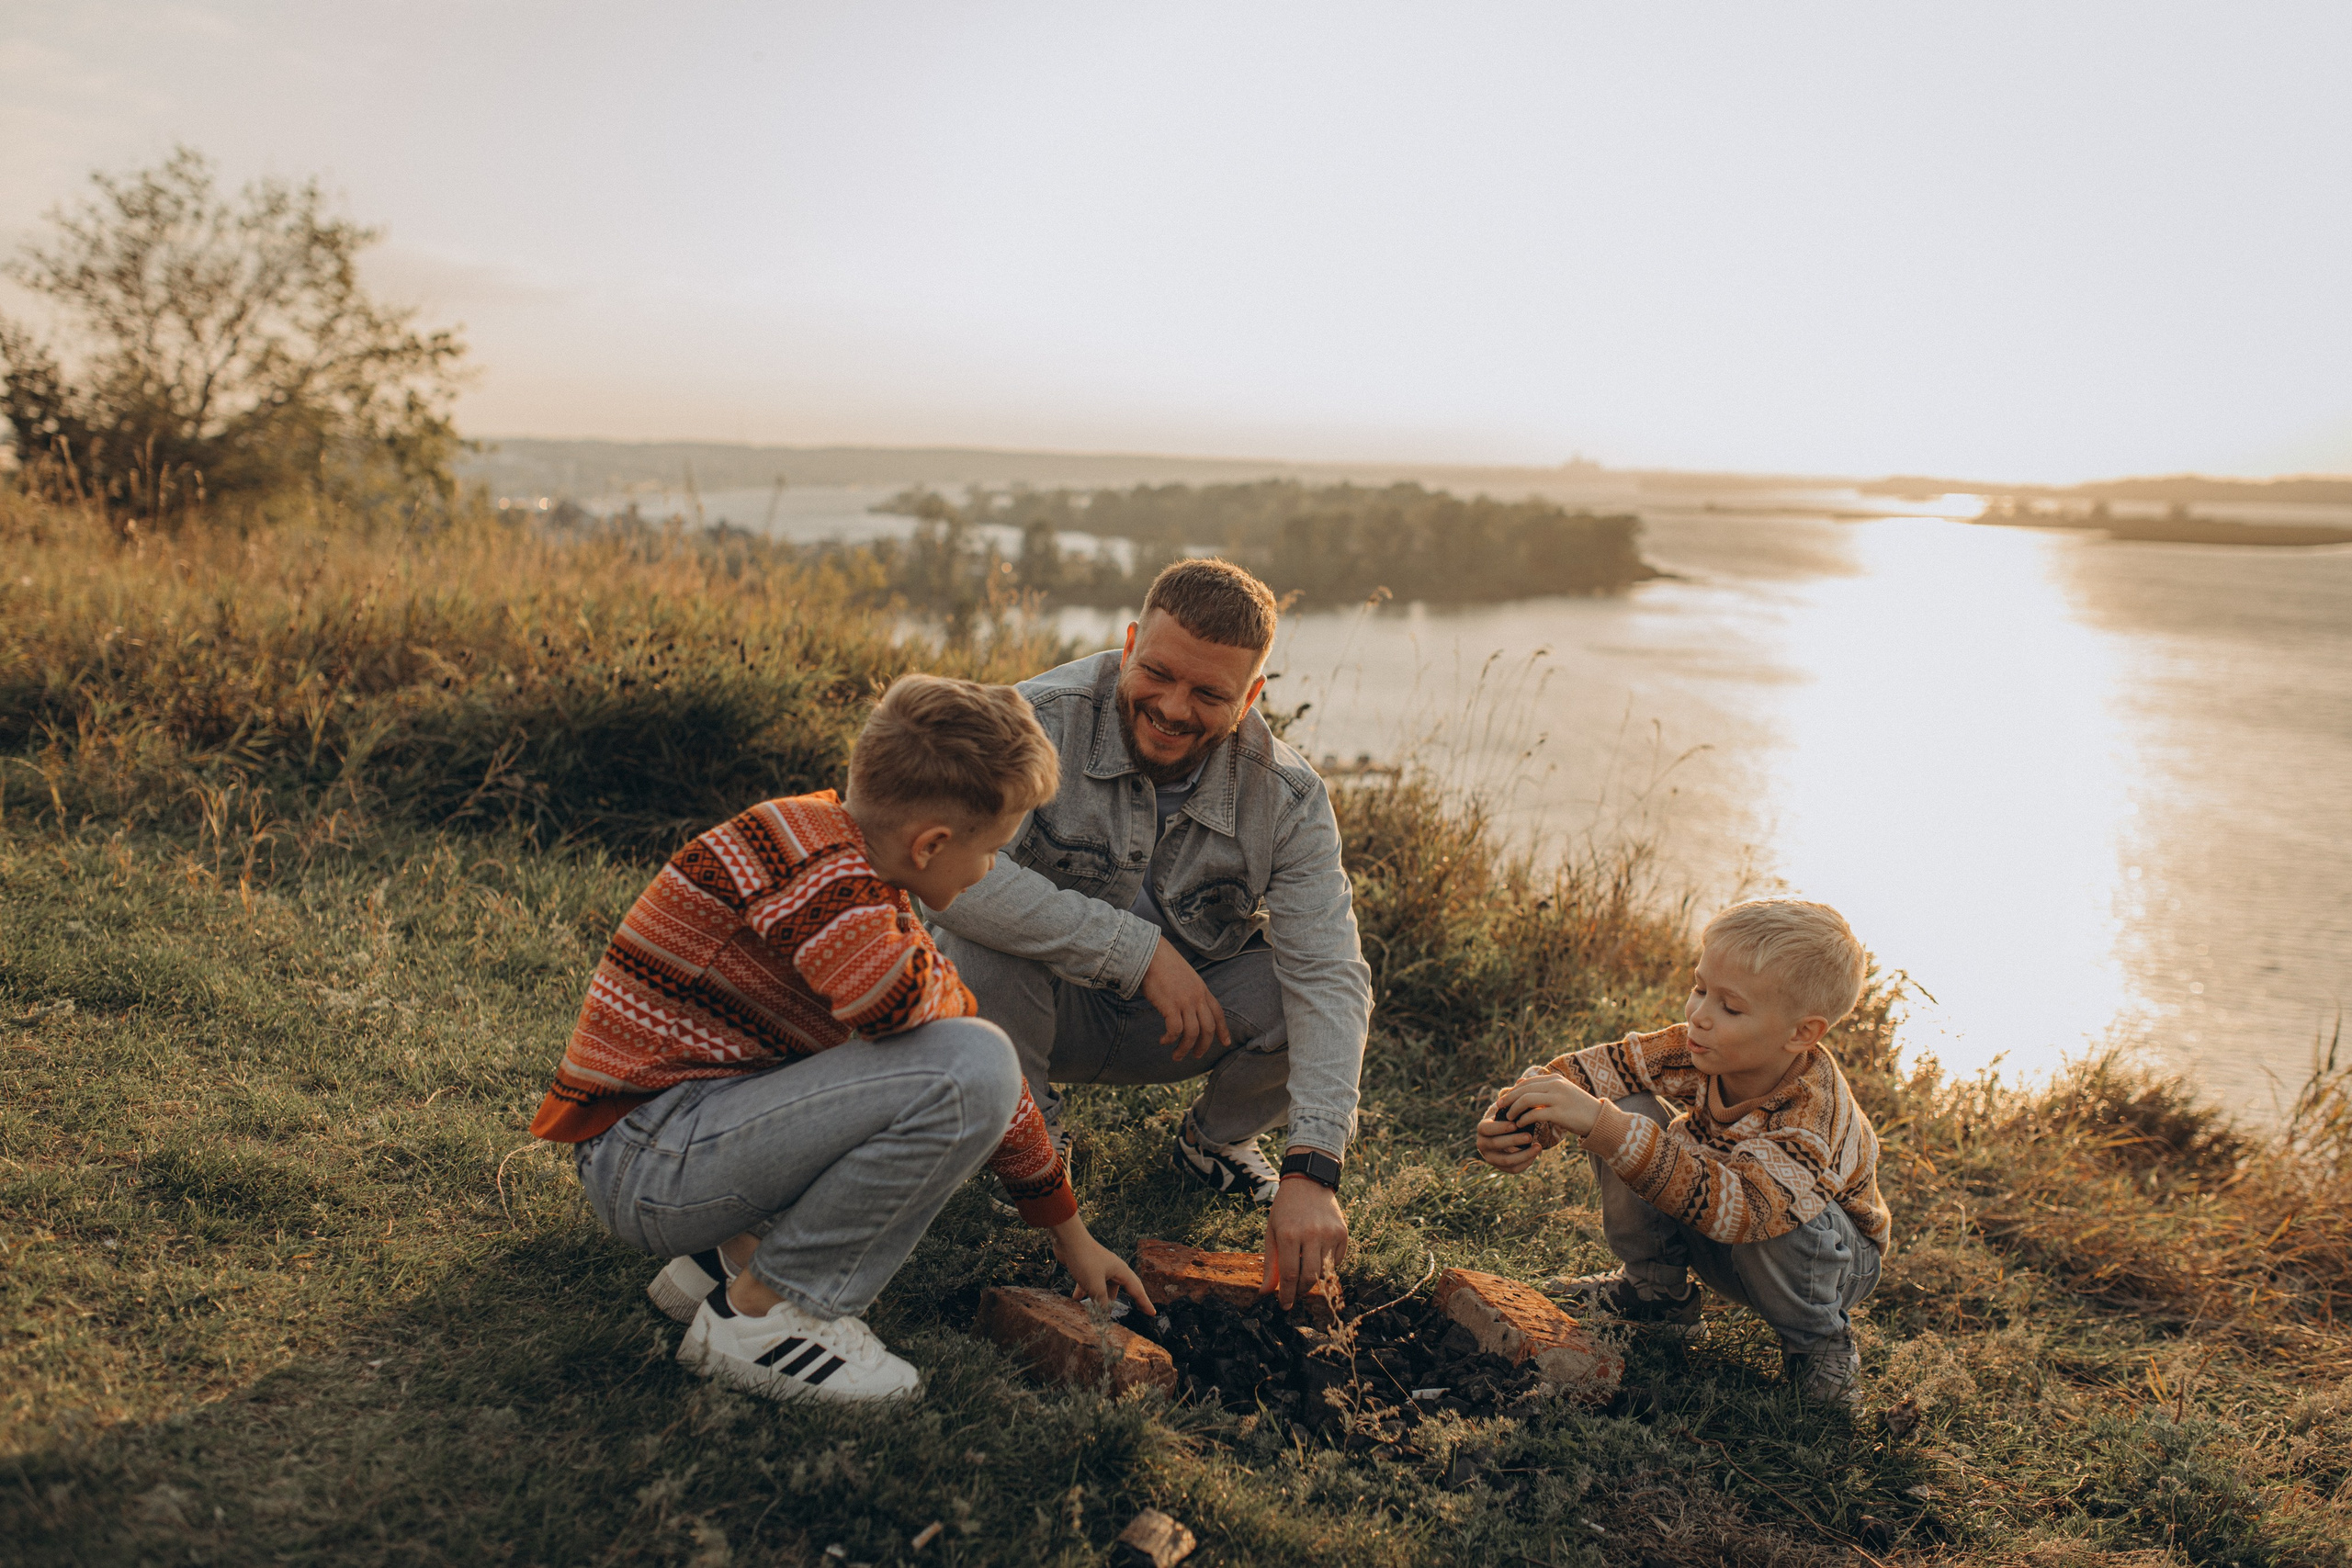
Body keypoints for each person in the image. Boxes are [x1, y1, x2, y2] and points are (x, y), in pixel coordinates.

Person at [532, 674, 1151, 1404]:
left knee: (959, 1056)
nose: (991, 870)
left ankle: (722, 1258)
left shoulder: (836, 853)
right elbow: (918, 1019)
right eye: (993, 852)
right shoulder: (824, 880)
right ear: (932, 844)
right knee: (971, 1061)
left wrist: (1066, 1231)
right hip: (648, 1161)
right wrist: (958, 1007)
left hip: (665, 1141)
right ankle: (769, 1316)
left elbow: (935, 1041)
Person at [931, 558, 1373, 1309]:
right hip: (1030, 1008)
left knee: (1304, 988)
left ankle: (1218, 1141)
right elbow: (949, 875)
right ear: (1129, 642)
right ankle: (1025, 1141)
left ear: (1253, 695)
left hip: (1177, 1024)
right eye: (1158, 673)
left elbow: (1330, 972)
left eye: (1209, 694)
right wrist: (1136, 951)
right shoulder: (1033, 718)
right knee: (979, 938)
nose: (1173, 708)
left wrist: (1314, 1164)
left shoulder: (1290, 797)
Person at [1477, 897, 1889, 1407]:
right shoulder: (1703, 1048)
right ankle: (1655, 1293)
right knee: (1622, 1101)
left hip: (1824, 1262)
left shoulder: (1810, 1118)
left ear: (1801, 1033)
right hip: (1721, 1227)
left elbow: (1744, 1214)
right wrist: (1521, 1124)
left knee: (1781, 1210)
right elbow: (1596, 1070)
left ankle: (1820, 1346)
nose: (1698, 1014)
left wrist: (1598, 1123)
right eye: (1699, 988)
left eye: (1730, 1007)